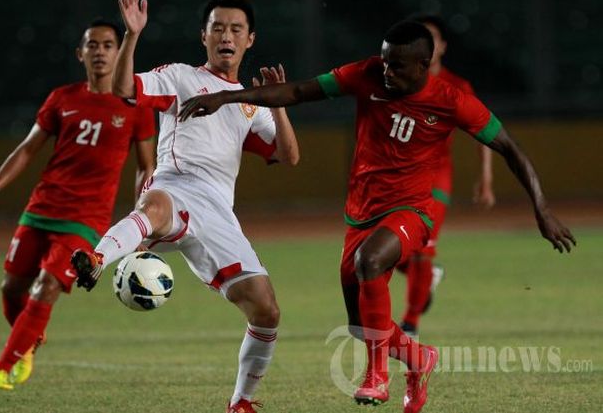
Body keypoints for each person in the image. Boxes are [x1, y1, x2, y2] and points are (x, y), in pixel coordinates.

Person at [178, 20, 576, 413]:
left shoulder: (452, 100)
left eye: (397, 66)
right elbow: (300, 90)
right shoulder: (366, 74)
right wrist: (227, 98)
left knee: (370, 261)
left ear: (423, 65)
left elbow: (511, 148)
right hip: (361, 214)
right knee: (361, 324)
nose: (387, 71)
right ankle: (419, 360)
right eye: (385, 62)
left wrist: (541, 209)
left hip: (413, 211)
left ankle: (376, 375)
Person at [69, 0, 299, 413]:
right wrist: (132, 35)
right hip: (174, 186)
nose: (226, 35)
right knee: (153, 206)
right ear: (204, 36)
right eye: (217, 28)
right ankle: (98, 259)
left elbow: (290, 156)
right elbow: (124, 89)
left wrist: (278, 102)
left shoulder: (251, 103)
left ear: (249, 40)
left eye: (236, 29)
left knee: (266, 310)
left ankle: (242, 403)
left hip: (217, 212)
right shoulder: (180, 76)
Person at [0, 19, 157, 390]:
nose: (100, 51)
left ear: (119, 53)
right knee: (11, 288)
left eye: (107, 45)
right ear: (80, 53)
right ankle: (29, 343)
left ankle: (5, 366)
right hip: (42, 208)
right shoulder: (63, 98)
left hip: (86, 219)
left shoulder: (135, 106)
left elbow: (146, 166)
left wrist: (142, 219)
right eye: (93, 45)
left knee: (47, 286)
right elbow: (28, 149)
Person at [397, 14, 496, 337]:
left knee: (423, 248)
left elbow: (483, 132)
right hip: (398, 180)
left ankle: (410, 324)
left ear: (442, 47)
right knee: (381, 249)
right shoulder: (399, 81)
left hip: (436, 180)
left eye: (432, 38)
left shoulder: (457, 87)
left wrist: (486, 178)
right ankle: (426, 275)